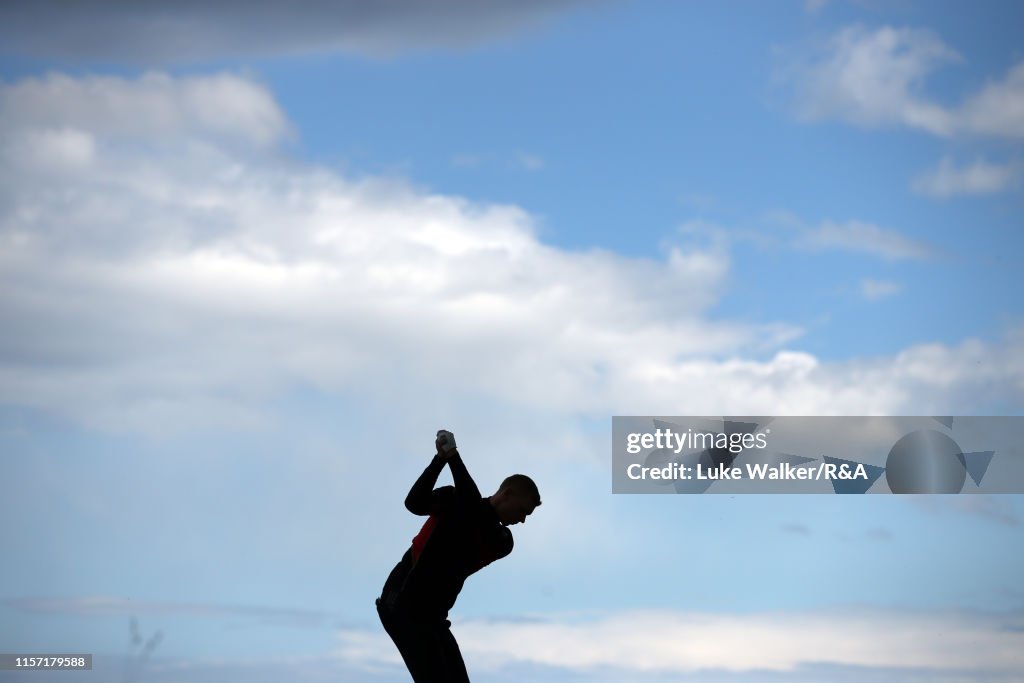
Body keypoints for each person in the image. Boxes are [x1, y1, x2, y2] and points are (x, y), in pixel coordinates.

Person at [376, 430, 541, 683]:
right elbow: (414, 503)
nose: (522, 520)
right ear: (506, 494)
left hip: (432, 617)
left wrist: (453, 457)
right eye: (522, 510)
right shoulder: (453, 499)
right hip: (402, 603)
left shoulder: (502, 540)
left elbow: (475, 513)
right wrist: (440, 459)